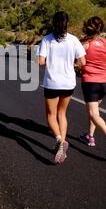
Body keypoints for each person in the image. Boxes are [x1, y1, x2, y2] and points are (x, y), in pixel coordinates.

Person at [38, 12, 86, 164]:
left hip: (52, 82)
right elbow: (82, 62)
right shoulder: (73, 40)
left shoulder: (47, 39)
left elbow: (40, 62)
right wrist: (71, 65)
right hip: (68, 83)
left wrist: (52, 64)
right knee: (62, 114)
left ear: (53, 23)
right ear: (67, 23)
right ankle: (62, 144)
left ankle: (59, 140)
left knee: (51, 116)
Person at [79, 16, 106, 160]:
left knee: (93, 113)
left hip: (91, 82)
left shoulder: (84, 45)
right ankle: (90, 137)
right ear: (101, 29)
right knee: (95, 112)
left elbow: (80, 63)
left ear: (87, 28)